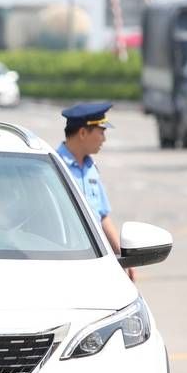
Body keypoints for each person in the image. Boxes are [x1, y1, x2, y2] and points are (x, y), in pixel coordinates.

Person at [56, 101, 135, 281]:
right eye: (101, 132)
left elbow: (102, 216)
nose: (104, 139)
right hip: (67, 261)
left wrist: (124, 260)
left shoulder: (91, 167)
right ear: (83, 133)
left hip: (95, 260)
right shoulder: (54, 167)